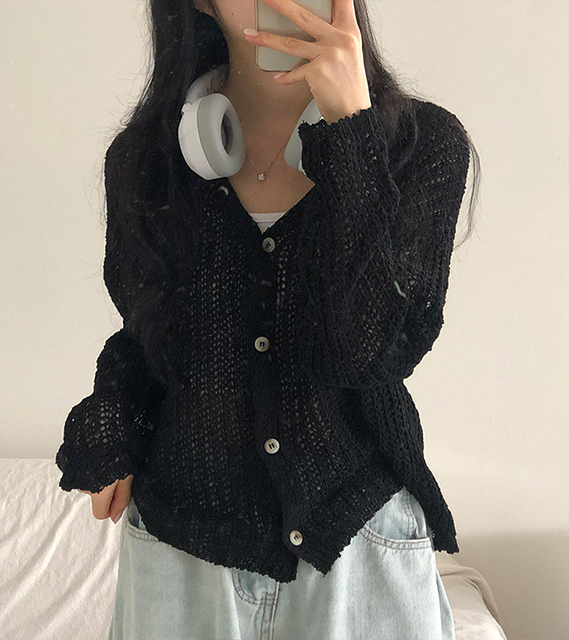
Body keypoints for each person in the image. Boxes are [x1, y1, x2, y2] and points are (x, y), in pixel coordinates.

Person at [56, 0, 481, 638]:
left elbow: (363, 352)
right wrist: (113, 421)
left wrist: (351, 132)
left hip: (356, 541)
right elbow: (151, 340)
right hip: (180, 546)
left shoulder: (421, 145)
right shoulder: (145, 159)